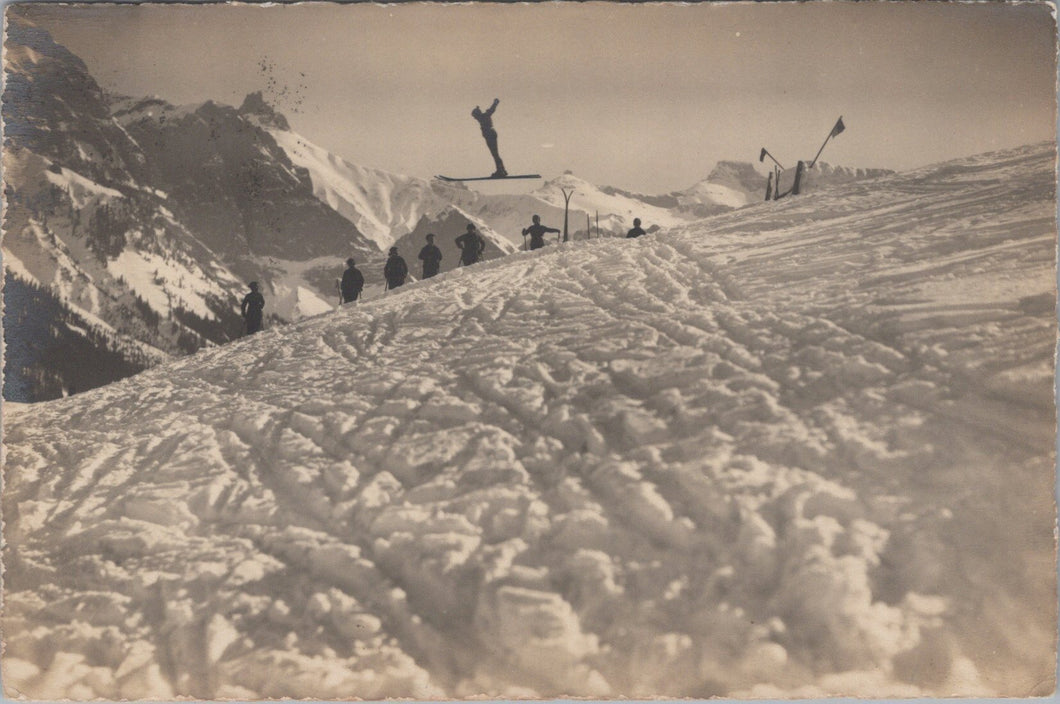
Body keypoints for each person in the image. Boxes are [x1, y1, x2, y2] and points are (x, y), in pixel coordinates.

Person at [471, 98, 507, 178]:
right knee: (495, 154)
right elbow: (491, 110)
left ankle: (500, 171)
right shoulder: (483, 117)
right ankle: (502, 170)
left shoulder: (483, 116)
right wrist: (495, 103)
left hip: (490, 135)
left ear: (477, 114)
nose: (474, 118)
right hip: (490, 135)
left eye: (474, 116)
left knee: (495, 154)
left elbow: (491, 110)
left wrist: (495, 103)